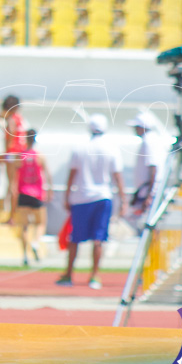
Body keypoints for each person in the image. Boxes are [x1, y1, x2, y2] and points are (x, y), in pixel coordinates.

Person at [57, 114, 125, 290]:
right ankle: (94, 275)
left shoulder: (80, 148)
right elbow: (117, 177)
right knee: (98, 239)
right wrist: (123, 200)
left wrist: (66, 196)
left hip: (81, 197)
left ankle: (69, 274)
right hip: (103, 197)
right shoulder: (112, 149)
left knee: (75, 238)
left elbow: (72, 175)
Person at [12, 129, 51, 267]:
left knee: (24, 226)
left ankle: (24, 255)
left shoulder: (19, 156)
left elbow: (14, 177)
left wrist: (12, 193)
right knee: (41, 223)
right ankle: (35, 241)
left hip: (23, 193)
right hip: (36, 194)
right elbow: (47, 174)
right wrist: (49, 190)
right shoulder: (40, 156)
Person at [0, 94, 27, 221]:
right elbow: (3, 116)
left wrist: (7, 148)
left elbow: (10, 132)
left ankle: (11, 217)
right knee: (12, 184)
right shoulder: (18, 117)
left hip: (13, 155)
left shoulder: (10, 119)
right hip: (21, 154)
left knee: (12, 186)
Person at [127, 111, 161, 222]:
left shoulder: (149, 142)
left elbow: (153, 168)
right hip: (147, 191)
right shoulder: (154, 140)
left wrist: (149, 195)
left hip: (147, 192)